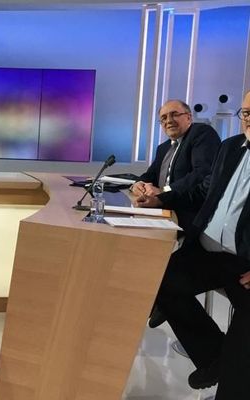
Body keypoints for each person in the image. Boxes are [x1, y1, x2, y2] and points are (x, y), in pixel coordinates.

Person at [134, 91, 250, 399]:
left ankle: (230, 370)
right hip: (209, 249)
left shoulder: (203, 137)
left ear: (189, 117)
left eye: (174, 115)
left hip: (245, 263)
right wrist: (160, 197)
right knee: (162, 279)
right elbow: (207, 189)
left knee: (240, 362)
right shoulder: (231, 148)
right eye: (248, 113)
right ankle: (214, 357)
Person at [130, 100, 221, 232]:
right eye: (164, 118)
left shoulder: (201, 133)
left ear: (189, 117)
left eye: (174, 114)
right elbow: (150, 174)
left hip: (188, 211)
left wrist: (164, 191)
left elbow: (201, 173)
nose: (169, 120)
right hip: (162, 209)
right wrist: (138, 183)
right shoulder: (163, 148)